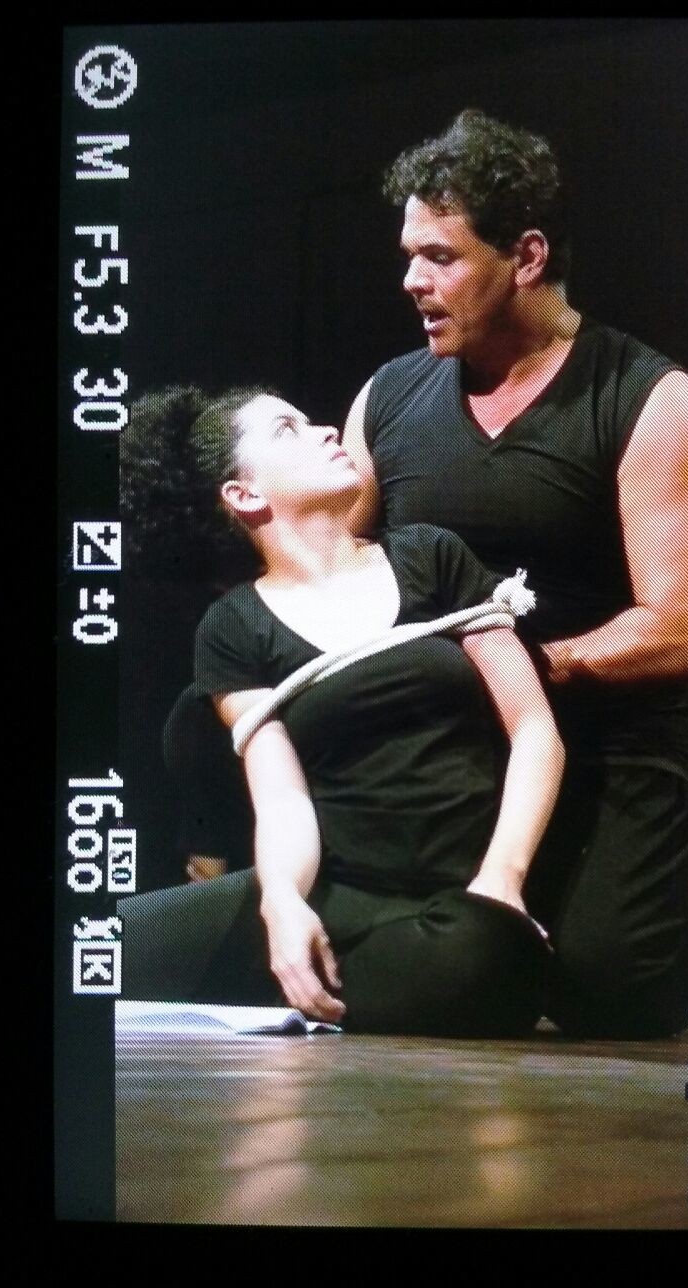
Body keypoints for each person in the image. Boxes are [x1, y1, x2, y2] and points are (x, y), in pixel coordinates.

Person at [339, 110, 688, 1039]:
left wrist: (524, 673)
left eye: (440, 257)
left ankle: (678, 901)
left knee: (607, 989)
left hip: (609, 748)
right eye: (409, 256)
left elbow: (686, 627)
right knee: (422, 966)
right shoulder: (387, 398)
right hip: (449, 751)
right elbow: (342, 577)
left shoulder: (648, 398)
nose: (412, 281)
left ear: (525, 256)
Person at [117, 385, 563, 1038]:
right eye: (287, 429)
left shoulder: (428, 558)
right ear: (244, 494)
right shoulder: (235, 625)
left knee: (480, 952)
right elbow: (283, 800)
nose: (326, 430)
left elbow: (534, 730)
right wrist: (283, 903)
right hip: (339, 894)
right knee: (92, 951)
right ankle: (296, 965)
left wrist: (503, 877)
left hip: (468, 889)